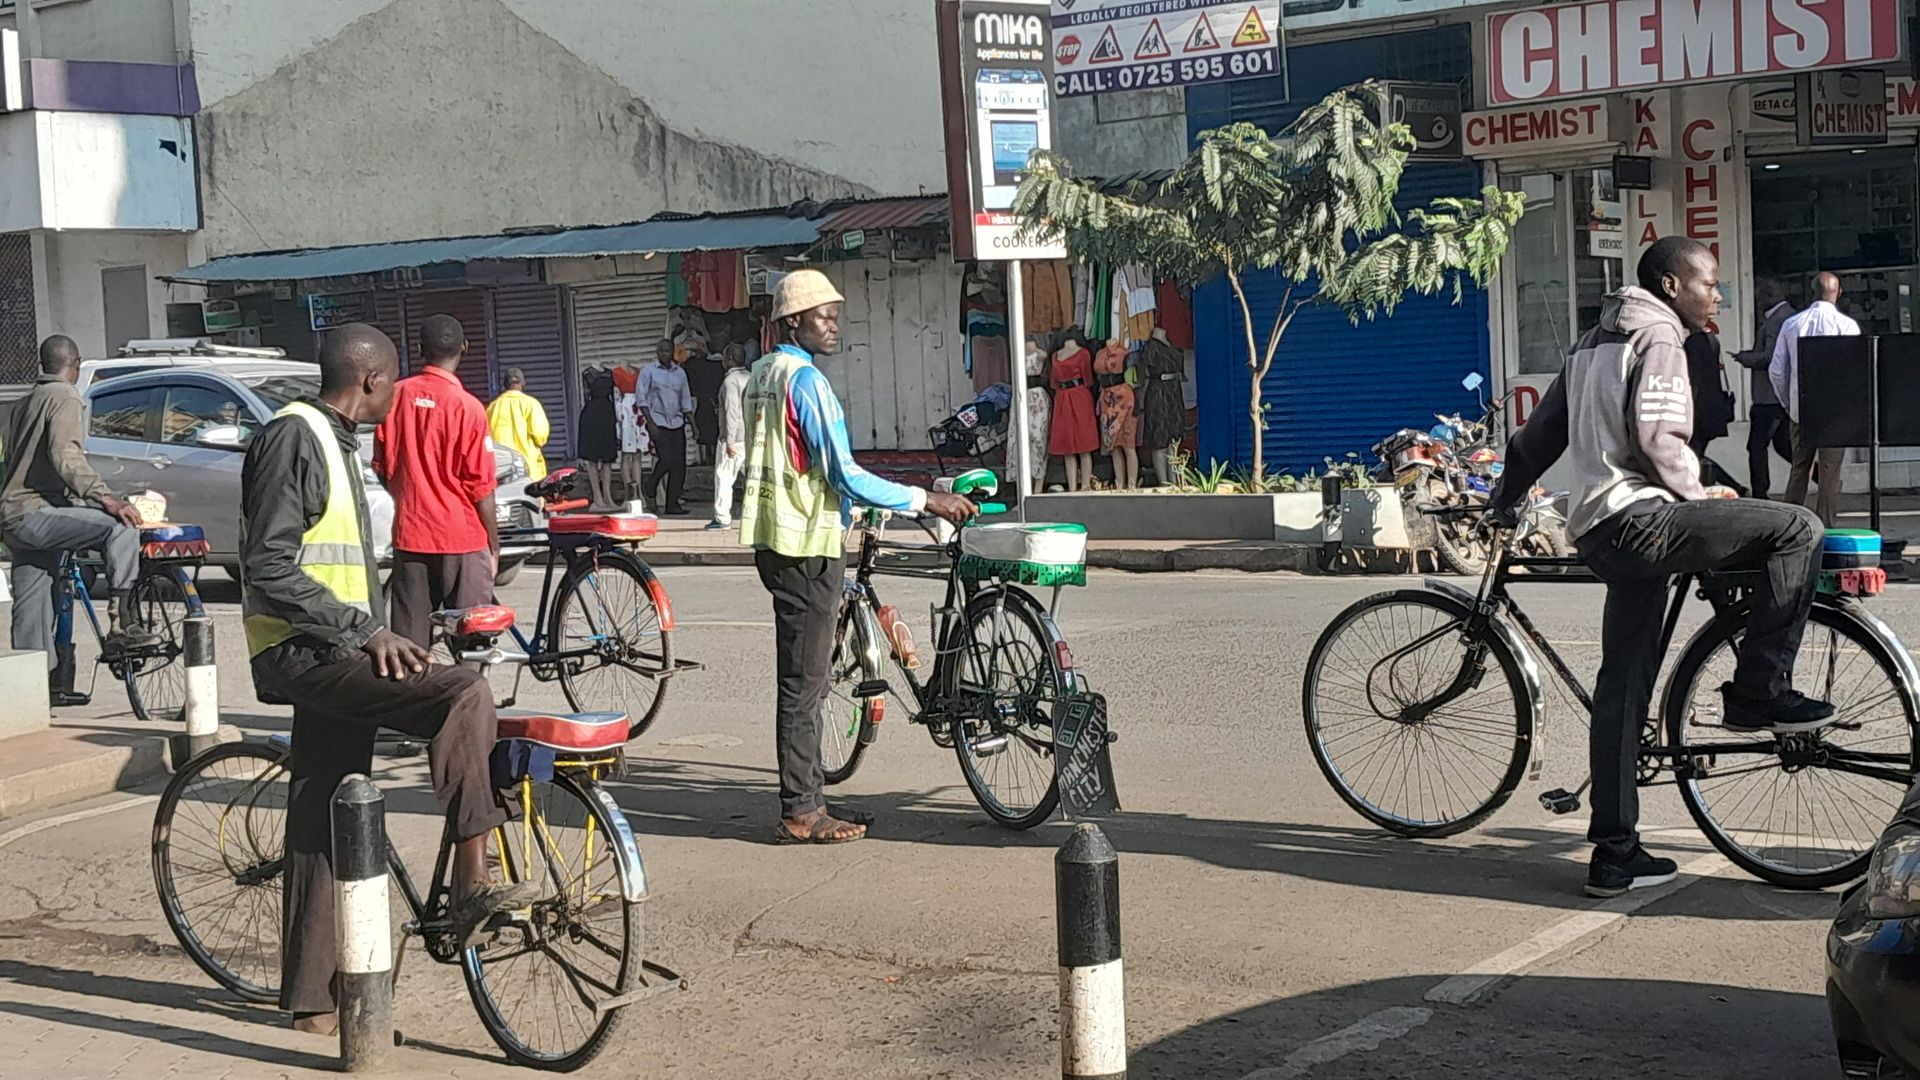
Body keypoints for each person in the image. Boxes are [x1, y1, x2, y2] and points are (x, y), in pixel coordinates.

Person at [1490, 236, 1830, 899]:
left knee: (1624, 684)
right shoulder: (1661, 336)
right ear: (1672, 285)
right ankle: (1759, 691)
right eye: (1709, 284)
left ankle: (1614, 856)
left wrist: (1502, 498)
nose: (1719, 296)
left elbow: (1537, 437)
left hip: (1603, 529)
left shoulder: (1591, 342)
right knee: (1798, 526)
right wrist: (1700, 495)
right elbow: (1657, 438)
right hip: (1646, 521)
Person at [240, 323, 535, 1036]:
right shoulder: (295, 436)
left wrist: (389, 633)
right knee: (462, 691)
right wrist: (367, 632)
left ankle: (312, 1000)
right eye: (392, 383)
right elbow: (268, 562)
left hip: (332, 648)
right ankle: (472, 875)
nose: (396, 396)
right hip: (308, 652)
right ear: (369, 381)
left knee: (320, 812)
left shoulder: (335, 440)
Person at [742, 270, 975, 844]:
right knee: (805, 683)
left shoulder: (761, 376)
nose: (835, 325)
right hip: (805, 546)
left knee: (805, 677)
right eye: (824, 315)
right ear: (793, 320)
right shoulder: (806, 382)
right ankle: (801, 811)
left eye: (836, 314)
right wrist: (927, 498)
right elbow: (841, 471)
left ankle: (811, 794)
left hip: (775, 538)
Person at [2, 334, 157, 704]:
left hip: (12, 516)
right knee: (118, 528)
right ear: (75, 364)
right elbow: (64, 455)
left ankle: (33, 692)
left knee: (32, 603)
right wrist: (104, 498)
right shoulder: (65, 396)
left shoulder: (24, 403)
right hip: (37, 512)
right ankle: (123, 622)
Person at [372, 314, 500, 649]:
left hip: (412, 537)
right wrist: (493, 544)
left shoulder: (393, 398)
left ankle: (415, 701)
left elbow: (382, 468)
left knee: (410, 648)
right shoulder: (468, 408)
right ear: (464, 349)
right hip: (463, 540)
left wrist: (410, 495)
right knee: (472, 649)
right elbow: (481, 488)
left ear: (419, 349)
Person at [1770, 271, 1859, 527]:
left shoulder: (1791, 324)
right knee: (1830, 473)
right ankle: (1826, 529)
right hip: (1835, 414)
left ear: (1812, 292)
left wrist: (1789, 403)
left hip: (1802, 409)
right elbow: (1852, 372)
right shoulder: (1848, 326)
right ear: (1838, 293)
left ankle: (1788, 527)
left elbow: (1777, 371)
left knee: (1799, 468)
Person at [1733, 280, 1795, 499]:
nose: (1757, 304)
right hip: (1780, 396)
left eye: (1759, 298)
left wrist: (1745, 358)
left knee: (1756, 447)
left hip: (1769, 397)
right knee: (1782, 445)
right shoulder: (1787, 317)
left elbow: (1770, 358)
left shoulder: (1776, 322)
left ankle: (1760, 493)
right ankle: (1818, 476)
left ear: (1768, 297)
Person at [637, 338, 694, 515]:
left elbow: (685, 400)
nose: (664, 354)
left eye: (667, 351)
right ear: (656, 352)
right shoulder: (648, 372)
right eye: (660, 350)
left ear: (672, 352)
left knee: (679, 465)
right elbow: (641, 398)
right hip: (658, 422)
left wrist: (693, 424)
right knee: (666, 459)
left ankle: (672, 504)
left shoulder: (680, 374)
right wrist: (650, 422)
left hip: (677, 422)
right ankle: (650, 485)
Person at [1682, 330, 1742, 494]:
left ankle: (1732, 486)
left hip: (1699, 408)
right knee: (1696, 453)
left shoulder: (1693, 343)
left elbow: (1693, 377)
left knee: (1692, 454)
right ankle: (1733, 485)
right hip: (1713, 407)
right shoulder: (1712, 341)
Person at [707, 344, 750, 530]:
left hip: (734, 437)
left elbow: (732, 411)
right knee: (751, 477)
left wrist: (729, 441)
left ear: (730, 359)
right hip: (749, 436)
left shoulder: (731, 381)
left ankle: (722, 517)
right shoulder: (750, 377)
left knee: (724, 476)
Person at [487, 367, 551, 480]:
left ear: (505, 384)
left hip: (502, 470)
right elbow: (541, 436)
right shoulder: (532, 404)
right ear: (523, 383)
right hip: (529, 468)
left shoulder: (493, 407)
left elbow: (486, 439)